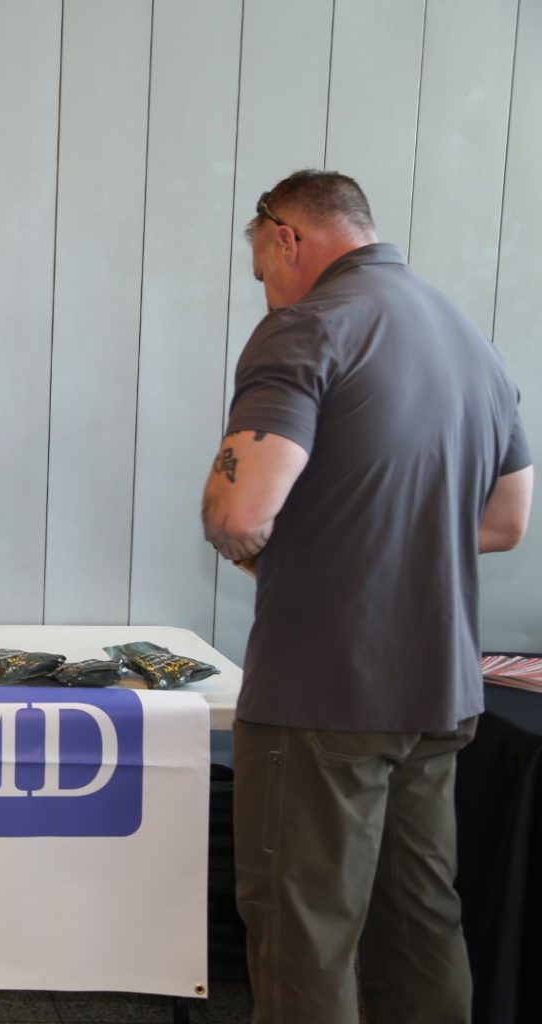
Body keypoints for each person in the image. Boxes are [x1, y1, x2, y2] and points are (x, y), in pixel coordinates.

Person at [201, 169, 533, 1023]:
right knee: (418, 926)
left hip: (324, 695)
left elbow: (241, 512)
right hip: (440, 689)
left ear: (286, 237)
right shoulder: (470, 341)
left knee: (304, 934)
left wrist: (242, 531)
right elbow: (506, 522)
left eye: (263, 271)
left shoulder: (307, 328)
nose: (267, 293)